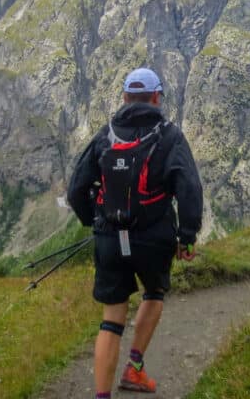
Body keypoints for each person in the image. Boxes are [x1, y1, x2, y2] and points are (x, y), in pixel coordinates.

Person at [67, 68, 203, 398]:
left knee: (111, 319)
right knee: (154, 293)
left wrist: (95, 222)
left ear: (125, 97)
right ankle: (134, 369)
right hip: (154, 237)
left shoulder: (106, 134)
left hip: (109, 238)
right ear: (157, 98)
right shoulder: (170, 135)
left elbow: (76, 190)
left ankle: (102, 396)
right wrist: (186, 236)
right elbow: (189, 188)